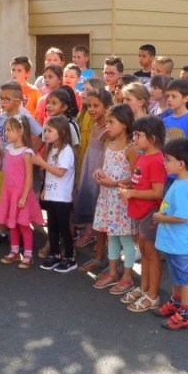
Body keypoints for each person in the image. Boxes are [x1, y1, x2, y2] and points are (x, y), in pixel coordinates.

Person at [0, 82, 44, 249]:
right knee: (2, 201)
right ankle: (3, 232)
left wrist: (30, 151)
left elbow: (40, 134)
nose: (2, 102)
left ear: (18, 101)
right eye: (1, 98)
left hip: (20, 171)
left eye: (7, 99)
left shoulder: (25, 117)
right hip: (3, 166)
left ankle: (21, 229)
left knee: (20, 200)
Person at [153, 138, 188, 330]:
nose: (164, 163)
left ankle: (186, 313)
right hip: (172, 240)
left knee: (184, 277)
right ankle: (176, 302)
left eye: (168, 159)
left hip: (179, 241)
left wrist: (160, 217)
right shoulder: (179, 182)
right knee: (176, 275)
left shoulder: (183, 187)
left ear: (180, 164)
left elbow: (181, 217)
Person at [119, 115, 167, 312]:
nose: (134, 139)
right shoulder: (142, 155)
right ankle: (144, 287)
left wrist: (132, 192)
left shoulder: (156, 160)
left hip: (150, 212)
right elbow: (138, 178)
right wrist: (126, 184)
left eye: (138, 135)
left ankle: (153, 295)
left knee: (151, 254)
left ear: (152, 139)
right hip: (138, 211)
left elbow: (157, 192)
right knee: (145, 252)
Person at [91, 104, 139, 296]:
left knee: (126, 240)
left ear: (125, 124)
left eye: (111, 122)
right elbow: (105, 166)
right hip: (107, 198)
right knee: (112, 237)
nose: (108, 126)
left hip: (121, 199)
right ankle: (112, 272)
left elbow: (135, 177)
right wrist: (100, 173)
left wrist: (114, 183)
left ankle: (127, 276)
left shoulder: (131, 148)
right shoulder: (109, 144)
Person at [0, 115, 44, 269]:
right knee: (12, 224)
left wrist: (23, 197)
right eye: (6, 130)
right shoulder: (8, 149)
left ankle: (28, 255)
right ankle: (14, 251)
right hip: (9, 193)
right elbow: (7, 170)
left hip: (21, 195)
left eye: (9, 130)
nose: (6, 133)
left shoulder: (27, 152)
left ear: (20, 131)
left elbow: (29, 176)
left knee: (23, 225)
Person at [32, 115, 77, 273]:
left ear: (62, 132)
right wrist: (45, 189)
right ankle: (55, 254)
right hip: (51, 195)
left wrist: (41, 163)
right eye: (45, 130)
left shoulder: (66, 151)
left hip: (62, 198)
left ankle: (70, 257)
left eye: (50, 131)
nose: (46, 134)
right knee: (52, 227)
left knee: (64, 228)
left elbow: (59, 172)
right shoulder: (52, 149)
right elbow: (49, 174)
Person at [73, 86, 112, 267]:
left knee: (98, 203)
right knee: (88, 200)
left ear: (107, 106)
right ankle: (91, 234)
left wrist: (100, 168)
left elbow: (105, 154)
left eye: (96, 105)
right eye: (89, 105)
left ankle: (100, 240)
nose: (92, 109)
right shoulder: (95, 125)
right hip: (89, 165)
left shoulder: (108, 129)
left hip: (100, 169)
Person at [161, 78, 188, 148]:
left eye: (173, 96)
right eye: (168, 96)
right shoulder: (165, 120)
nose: (169, 99)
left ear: (186, 98)